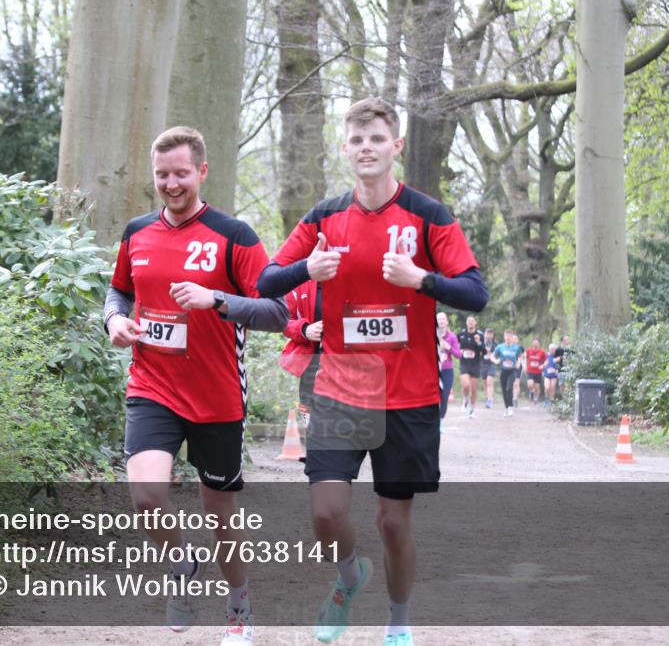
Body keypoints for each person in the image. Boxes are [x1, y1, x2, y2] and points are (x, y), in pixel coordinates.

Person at [256, 97, 487, 646]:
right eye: (357, 140)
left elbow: (475, 293)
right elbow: (265, 281)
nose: (366, 148)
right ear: (345, 148)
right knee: (326, 515)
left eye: (377, 139)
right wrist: (304, 269)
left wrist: (421, 280)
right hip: (340, 389)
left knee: (392, 521)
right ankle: (349, 576)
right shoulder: (323, 218)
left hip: (408, 395)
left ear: (396, 147)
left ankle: (399, 623)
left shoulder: (429, 217)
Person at [104, 126, 289, 646]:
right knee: (146, 495)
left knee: (222, 516)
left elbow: (279, 311)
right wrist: (114, 322)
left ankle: (239, 607)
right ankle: (182, 567)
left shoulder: (235, 236)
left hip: (216, 397)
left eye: (181, 173)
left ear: (202, 172)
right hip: (152, 385)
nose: (171, 183)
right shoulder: (137, 233)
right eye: (162, 174)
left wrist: (217, 301)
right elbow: (117, 293)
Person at [280, 279, 322, 452]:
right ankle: (313, 446)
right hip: (311, 361)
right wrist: (305, 329)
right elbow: (282, 320)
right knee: (308, 407)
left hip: (349, 364)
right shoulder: (300, 283)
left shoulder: (353, 277)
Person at [456, 315, 486, 418]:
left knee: (473, 389)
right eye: (469, 321)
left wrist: (478, 342)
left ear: (475, 323)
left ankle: (472, 409)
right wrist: (458, 351)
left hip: (475, 365)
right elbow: (454, 345)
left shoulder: (480, 335)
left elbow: (484, 351)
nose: (470, 323)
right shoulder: (461, 334)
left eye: (472, 321)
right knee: (466, 385)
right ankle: (465, 398)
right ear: (466, 323)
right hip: (464, 364)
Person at [436, 311, 461, 426]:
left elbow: (458, 354)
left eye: (443, 319)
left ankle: (441, 420)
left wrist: (448, 347)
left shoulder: (452, 337)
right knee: (434, 397)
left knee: (444, 396)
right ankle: (433, 421)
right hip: (434, 370)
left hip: (447, 370)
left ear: (446, 322)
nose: (440, 321)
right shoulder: (431, 334)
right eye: (438, 319)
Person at [493, 331, 523, 417]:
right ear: (504, 337)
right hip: (503, 371)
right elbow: (493, 355)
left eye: (509, 336)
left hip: (512, 371)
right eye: (506, 336)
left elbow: (520, 356)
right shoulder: (500, 347)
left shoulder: (516, 348)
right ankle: (506, 408)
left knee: (509, 388)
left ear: (512, 338)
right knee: (504, 390)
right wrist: (496, 361)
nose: (508, 338)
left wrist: (518, 363)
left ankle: (510, 407)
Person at [479, 328, 498, 409]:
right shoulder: (481, 343)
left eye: (490, 333)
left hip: (491, 364)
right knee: (485, 383)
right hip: (483, 364)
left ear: (492, 335)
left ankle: (490, 400)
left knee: (489, 381)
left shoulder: (495, 344)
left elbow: (497, 354)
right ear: (484, 334)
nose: (489, 335)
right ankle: (488, 398)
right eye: (487, 333)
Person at [524, 338, 546, 404]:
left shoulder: (542, 352)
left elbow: (546, 360)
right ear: (532, 343)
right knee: (530, 384)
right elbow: (525, 358)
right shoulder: (528, 351)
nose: (535, 344)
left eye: (537, 343)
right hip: (530, 370)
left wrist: (543, 365)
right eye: (534, 342)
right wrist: (525, 366)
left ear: (539, 344)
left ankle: (536, 398)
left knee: (537, 386)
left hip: (538, 371)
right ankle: (531, 392)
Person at [511, 333, 524, 407]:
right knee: (511, 384)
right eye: (513, 338)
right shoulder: (508, 347)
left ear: (517, 340)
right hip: (510, 367)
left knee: (516, 383)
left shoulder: (520, 348)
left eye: (515, 339)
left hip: (518, 367)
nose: (514, 340)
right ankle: (512, 397)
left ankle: (515, 398)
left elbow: (521, 356)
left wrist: (518, 363)